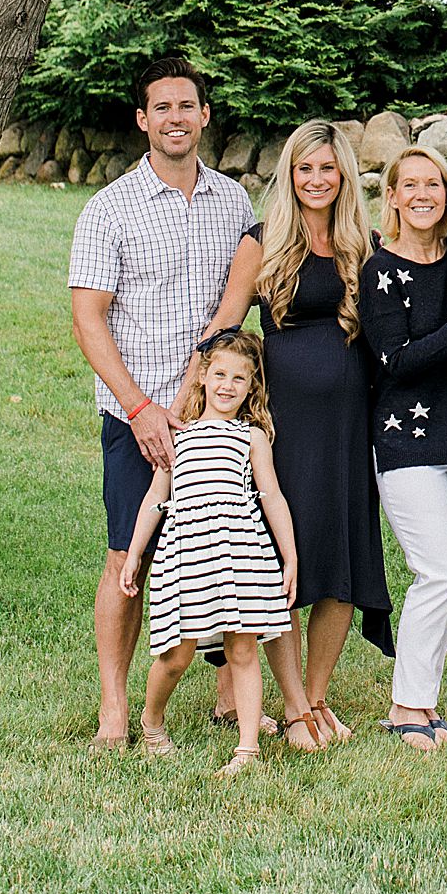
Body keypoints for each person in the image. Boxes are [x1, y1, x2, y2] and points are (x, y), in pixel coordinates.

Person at [70, 55, 254, 749]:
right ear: (142, 120)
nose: (176, 118)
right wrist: (141, 408)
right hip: (135, 415)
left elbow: (239, 304)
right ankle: (116, 709)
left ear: (204, 116)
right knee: (130, 557)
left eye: (188, 106)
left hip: (214, 416)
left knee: (226, 548)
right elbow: (89, 320)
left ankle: (225, 696)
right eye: (162, 108)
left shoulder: (233, 202)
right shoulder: (108, 208)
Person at [191, 118, 393, 749]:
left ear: (343, 176)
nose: (316, 179)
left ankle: (319, 696)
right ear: (290, 175)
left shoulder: (366, 242)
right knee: (277, 561)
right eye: (305, 168)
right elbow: (226, 322)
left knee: (340, 557)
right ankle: (296, 707)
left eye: (328, 168)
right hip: (282, 428)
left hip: (347, 425)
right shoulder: (262, 240)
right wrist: (185, 402)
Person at [360, 145, 447, 752]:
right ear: (391, 196)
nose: (423, 194)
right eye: (409, 184)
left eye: (434, 183)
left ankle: (425, 705)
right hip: (404, 442)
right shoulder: (380, 270)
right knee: (437, 571)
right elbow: (397, 360)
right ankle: (404, 709)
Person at [119, 330, 296, 776]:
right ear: (202, 376)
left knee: (243, 650)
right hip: (188, 556)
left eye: (240, 378)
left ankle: (248, 751)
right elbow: (155, 500)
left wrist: (288, 556)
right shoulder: (178, 437)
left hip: (242, 554)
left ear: (252, 385)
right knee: (176, 656)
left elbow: (272, 497)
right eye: (219, 373)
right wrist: (135, 554)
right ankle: (152, 722)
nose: (228, 385)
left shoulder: (252, 437)